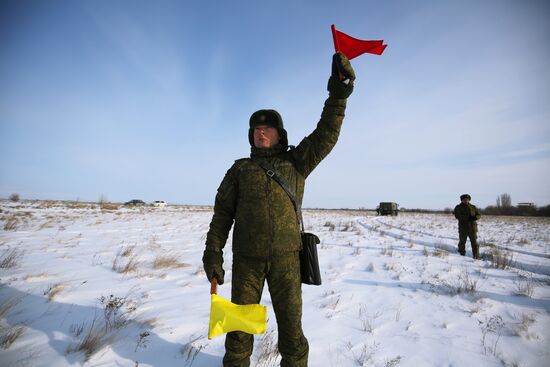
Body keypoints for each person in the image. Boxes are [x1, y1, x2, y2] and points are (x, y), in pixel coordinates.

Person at [202, 52, 355, 367]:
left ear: (279, 134)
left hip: (288, 261)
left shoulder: (295, 162)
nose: (261, 132)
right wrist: (213, 253)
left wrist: (338, 95)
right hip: (246, 262)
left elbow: (326, 134)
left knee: (291, 334)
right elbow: (221, 218)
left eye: (268, 128)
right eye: (256, 129)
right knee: (239, 332)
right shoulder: (239, 170)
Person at [453, 194, 481, 259]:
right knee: (462, 242)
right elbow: (457, 215)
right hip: (463, 228)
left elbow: (479, 214)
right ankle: (461, 255)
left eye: (467, 199)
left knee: (474, 242)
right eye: (464, 200)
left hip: (472, 228)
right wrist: (467, 217)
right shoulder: (458, 207)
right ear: (462, 200)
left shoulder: (473, 207)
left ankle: (476, 256)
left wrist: (475, 217)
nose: (466, 201)